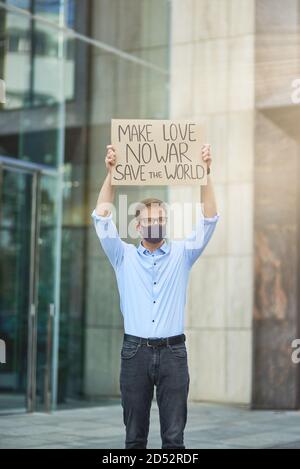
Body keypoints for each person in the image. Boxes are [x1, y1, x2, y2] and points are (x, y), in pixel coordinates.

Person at [91, 143, 219, 449]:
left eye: (160, 218)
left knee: (174, 441)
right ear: (137, 225)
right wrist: (111, 175)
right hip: (134, 354)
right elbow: (101, 218)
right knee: (134, 439)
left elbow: (210, 220)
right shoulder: (122, 256)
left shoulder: (182, 254)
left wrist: (205, 174)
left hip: (174, 354)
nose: (154, 224)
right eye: (148, 220)